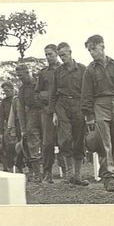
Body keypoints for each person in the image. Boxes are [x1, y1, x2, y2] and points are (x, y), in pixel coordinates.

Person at [82, 35, 114, 192]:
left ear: (102, 46)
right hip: (99, 105)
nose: (92, 52)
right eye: (89, 50)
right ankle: (108, 178)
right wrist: (89, 116)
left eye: (94, 48)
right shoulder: (90, 70)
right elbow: (86, 94)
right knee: (104, 143)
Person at [49, 42, 89, 186]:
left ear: (70, 53)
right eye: (60, 55)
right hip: (62, 106)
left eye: (64, 55)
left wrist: (87, 110)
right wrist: (53, 112)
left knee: (79, 140)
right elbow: (53, 93)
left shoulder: (83, 69)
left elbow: (87, 91)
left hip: (78, 105)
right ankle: (68, 174)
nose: (62, 58)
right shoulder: (58, 72)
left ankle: (77, 175)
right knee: (64, 139)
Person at [35, 44, 66, 183]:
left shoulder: (64, 69)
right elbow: (36, 94)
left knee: (64, 141)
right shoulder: (43, 73)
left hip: (63, 111)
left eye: (50, 54)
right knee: (47, 144)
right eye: (46, 54)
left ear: (57, 54)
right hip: (47, 112)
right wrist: (45, 106)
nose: (48, 57)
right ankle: (47, 173)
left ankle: (67, 172)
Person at [15, 64, 42, 183]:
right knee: (32, 144)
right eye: (18, 76)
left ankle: (49, 172)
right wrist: (23, 128)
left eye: (21, 75)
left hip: (45, 112)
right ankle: (37, 173)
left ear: (27, 72)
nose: (20, 78)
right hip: (31, 115)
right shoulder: (21, 90)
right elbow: (20, 109)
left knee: (48, 142)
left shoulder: (39, 82)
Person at [0, 81, 17, 172]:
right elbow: (1, 117)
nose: (6, 92)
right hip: (8, 126)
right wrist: (1, 132)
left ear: (12, 89)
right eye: (5, 91)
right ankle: (9, 167)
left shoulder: (17, 98)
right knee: (7, 147)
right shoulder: (4, 102)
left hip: (18, 123)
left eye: (8, 90)